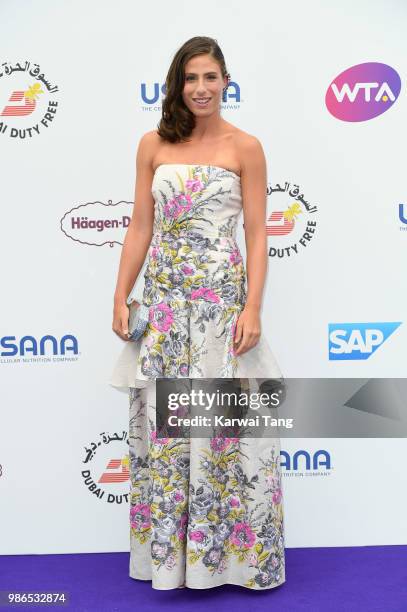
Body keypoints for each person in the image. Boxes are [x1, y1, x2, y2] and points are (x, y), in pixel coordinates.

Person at [109, 36, 286, 591]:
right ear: (177, 85)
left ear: (226, 81)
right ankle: (169, 562)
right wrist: (121, 294)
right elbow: (141, 225)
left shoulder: (246, 147)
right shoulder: (152, 144)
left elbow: (258, 234)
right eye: (191, 79)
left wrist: (253, 305)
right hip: (163, 309)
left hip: (220, 307)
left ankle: (228, 562)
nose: (201, 88)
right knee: (166, 436)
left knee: (225, 434)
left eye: (211, 77)